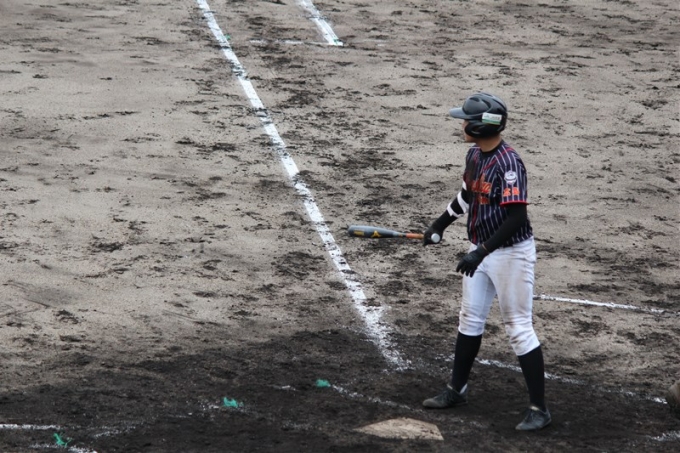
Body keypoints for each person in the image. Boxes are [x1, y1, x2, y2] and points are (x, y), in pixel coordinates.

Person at [421, 92, 551, 431]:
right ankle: (456, 390)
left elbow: (517, 218)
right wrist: (439, 224)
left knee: (518, 328)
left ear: (480, 126)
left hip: (510, 254)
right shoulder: (475, 155)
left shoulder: (509, 164)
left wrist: (481, 252)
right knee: (470, 319)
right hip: (481, 250)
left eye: (466, 120)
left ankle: (539, 409)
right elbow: (468, 195)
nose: (461, 125)